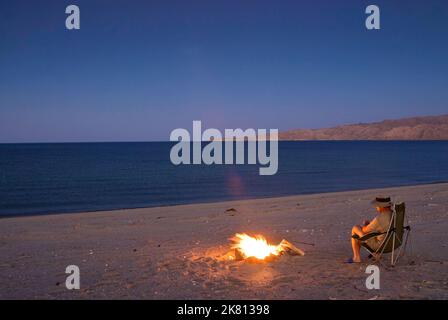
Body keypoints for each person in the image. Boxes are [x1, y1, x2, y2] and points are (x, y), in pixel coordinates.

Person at [348, 196, 393, 263]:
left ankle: (356, 257)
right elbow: (383, 227)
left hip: (380, 245)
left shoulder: (379, 219)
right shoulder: (393, 214)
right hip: (392, 242)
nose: (376, 207)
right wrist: (371, 225)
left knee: (355, 228)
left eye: (377, 206)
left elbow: (364, 230)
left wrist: (365, 225)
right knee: (364, 231)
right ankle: (375, 254)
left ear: (381, 206)